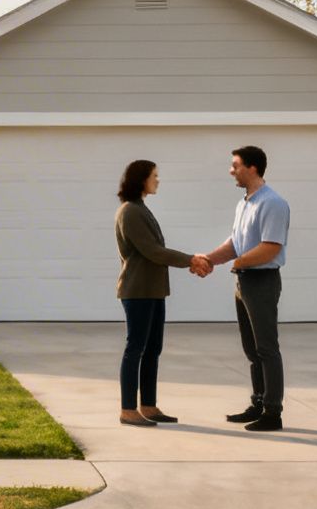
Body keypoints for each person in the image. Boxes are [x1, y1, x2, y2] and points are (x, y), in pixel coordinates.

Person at [193, 145, 291, 432]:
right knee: (251, 349)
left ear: (252, 167)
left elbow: (271, 248)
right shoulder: (244, 203)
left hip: (262, 280)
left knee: (266, 348)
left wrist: (237, 261)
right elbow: (236, 243)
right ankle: (258, 402)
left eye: (235, 165)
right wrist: (208, 259)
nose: (231, 170)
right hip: (244, 280)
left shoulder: (272, 203)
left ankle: (273, 412)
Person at [113, 159, 199, 427]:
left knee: (153, 349)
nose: (158, 180)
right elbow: (152, 251)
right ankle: (128, 409)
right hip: (137, 290)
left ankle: (148, 406)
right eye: (154, 176)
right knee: (135, 348)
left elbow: (155, 251)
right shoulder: (130, 212)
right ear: (141, 179)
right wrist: (191, 260)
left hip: (153, 290)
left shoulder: (141, 208)